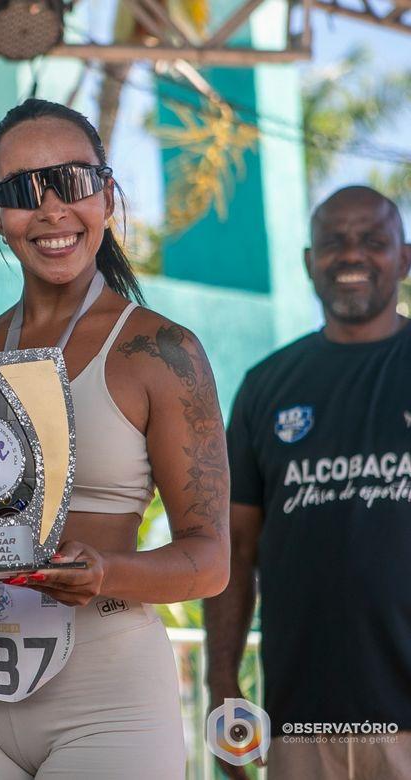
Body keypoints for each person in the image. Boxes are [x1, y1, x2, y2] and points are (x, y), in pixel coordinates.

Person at [0, 98, 231, 780]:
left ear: (106, 196)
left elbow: (209, 560)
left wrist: (106, 571)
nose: (51, 209)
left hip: (108, 700)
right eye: (24, 191)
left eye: (72, 181)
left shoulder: (159, 352)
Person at [205, 186, 411, 780]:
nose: (352, 255)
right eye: (333, 242)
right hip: (301, 724)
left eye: (373, 240)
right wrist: (222, 679)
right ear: (308, 261)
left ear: (404, 259)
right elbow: (234, 548)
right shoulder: (267, 385)